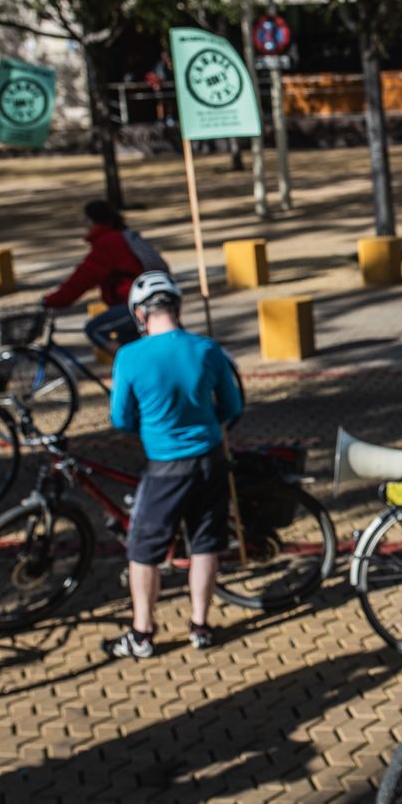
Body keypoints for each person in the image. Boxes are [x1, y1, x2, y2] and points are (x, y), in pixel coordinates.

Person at [105, 272, 243, 658]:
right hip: (211, 460)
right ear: (176, 307)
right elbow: (232, 407)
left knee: (143, 551)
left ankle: (142, 632)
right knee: (204, 544)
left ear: (140, 313)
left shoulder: (130, 356)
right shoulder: (206, 349)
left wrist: (149, 429)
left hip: (166, 466)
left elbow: (120, 418)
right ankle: (200, 625)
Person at [42, 200, 169, 352]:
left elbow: (82, 280)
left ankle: (127, 364)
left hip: (134, 304)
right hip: (144, 300)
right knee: (132, 344)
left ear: (92, 221)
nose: (84, 224)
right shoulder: (121, 236)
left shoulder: (108, 243)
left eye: (85, 219)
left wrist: (53, 300)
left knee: (94, 329)